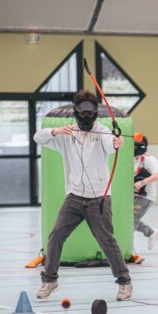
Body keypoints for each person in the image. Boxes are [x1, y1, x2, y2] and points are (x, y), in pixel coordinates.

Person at [33, 90, 132, 300]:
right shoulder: (66, 134)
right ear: (76, 112)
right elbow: (37, 138)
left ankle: (124, 282)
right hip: (74, 198)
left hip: (99, 199)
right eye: (83, 113)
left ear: (95, 113)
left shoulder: (102, 132)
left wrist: (116, 143)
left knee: (107, 241)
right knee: (56, 236)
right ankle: (50, 280)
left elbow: (111, 144)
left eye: (90, 114)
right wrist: (56, 131)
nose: (87, 118)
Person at [133, 132, 158, 250]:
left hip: (145, 197)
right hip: (134, 195)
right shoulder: (135, 159)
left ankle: (126, 249)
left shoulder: (149, 160)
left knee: (131, 221)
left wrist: (142, 183)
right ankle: (151, 232)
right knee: (130, 219)